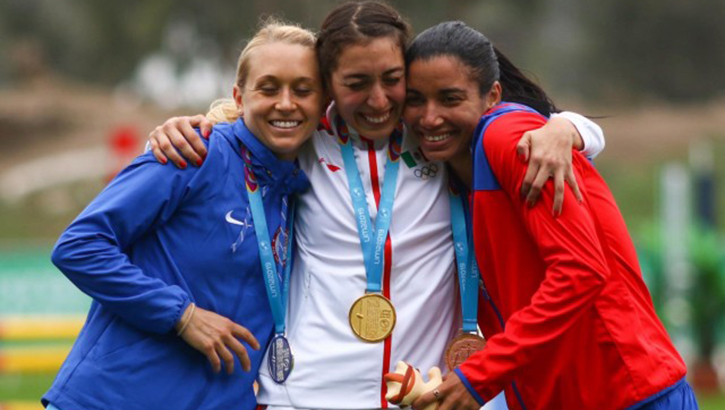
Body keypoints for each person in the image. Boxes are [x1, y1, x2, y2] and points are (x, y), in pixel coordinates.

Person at [147, 2, 605, 408]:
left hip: (422, 391)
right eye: (356, 83)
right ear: (327, 84)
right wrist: (183, 126)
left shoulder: (435, 132)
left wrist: (568, 128)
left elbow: (543, 127)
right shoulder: (304, 140)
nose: (379, 100)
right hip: (307, 394)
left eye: (392, 80)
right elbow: (242, 125)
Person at [403, 21, 696, 410]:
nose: (429, 117)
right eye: (415, 99)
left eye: (450, 98)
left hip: (626, 394)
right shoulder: (452, 170)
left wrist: (479, 375)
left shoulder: (508, 137)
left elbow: (581, 271)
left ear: (492, 95)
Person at [42, 21, 323, 410]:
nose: (287, 103)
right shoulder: (194, 152)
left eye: (303, 90)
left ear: (323, 103)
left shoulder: (301, 188)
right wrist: (182, 316)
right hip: (113, 399)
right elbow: (78, 246)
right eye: (269, 87)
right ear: (240, 97)